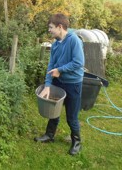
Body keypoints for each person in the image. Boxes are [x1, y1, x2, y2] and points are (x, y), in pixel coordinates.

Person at [34, 13, 85, 156]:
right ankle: (49, 135)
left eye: (51, 27)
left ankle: (76, 142)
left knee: (72, 116)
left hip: (73, 83)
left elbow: (78, 62)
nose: (49, 30)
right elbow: (51, 65)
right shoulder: (55, 44)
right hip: (58, 81)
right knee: (53, 110)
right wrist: (48, 85)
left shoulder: (74, 40)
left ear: (60, 27)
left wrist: (60, 70)